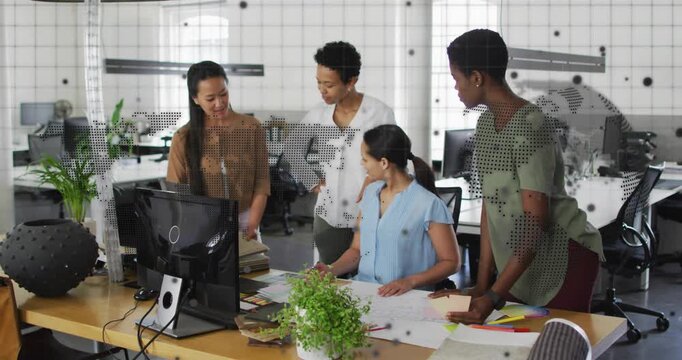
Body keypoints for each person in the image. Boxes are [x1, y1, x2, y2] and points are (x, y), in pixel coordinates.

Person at [430, 29, 603, 322]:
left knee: (555, 346)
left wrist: (494, 296)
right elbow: (490, 205)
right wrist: (482, 287)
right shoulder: (485, 124)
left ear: (476, 77)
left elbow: (536, 222)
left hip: (563, 257)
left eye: (456, 79)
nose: (456, 88)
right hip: (520, 264)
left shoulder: (531, 126)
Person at [284, 41, 396, 266]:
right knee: (328, 278)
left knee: (366, 280)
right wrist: (312, 181)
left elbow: (398, 162)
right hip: (328, 214)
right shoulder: (318, 114)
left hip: (369, 214)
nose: (322, 90)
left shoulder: (378, 113)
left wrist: (374, 178)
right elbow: (291, 148)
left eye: (329, 84)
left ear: (351, 81)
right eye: (318, 83)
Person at [314, 124, 460, 296]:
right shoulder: (369, 193)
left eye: (365, 159)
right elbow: (357, 250)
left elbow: (451, 262)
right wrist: (331, 270)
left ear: (383, 162)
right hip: (364, 291)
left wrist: (410, 281)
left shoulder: (429, 204)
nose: (362, 164)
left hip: (407, 297)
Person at [167, 60, 270, 241]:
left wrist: (252, 224)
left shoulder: (251, 127)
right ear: (195, 99)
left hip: (246, 219)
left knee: (252, 268)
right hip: (202, 224)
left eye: (223, 94)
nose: (219, 103)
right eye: (210, 98)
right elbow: (176, 190)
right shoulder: (183, 137)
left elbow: (262, 181)